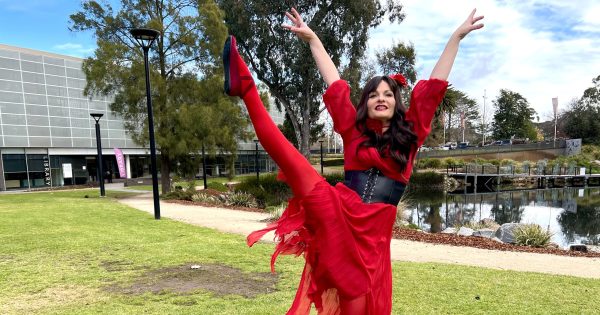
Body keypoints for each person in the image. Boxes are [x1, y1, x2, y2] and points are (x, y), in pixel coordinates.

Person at [223, 7, 484, 314]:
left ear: (396, 102)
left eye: (388, 93)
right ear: (366, 103)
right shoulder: (353, 130)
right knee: (293, 162)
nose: (381, 98)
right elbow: (334, 83)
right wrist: (313, 40)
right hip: (339, 215)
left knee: (358, 306)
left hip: (372, 244)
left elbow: (434, 88)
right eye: (373, 94)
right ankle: (246, 87)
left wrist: (457, 36)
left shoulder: (410, 136)